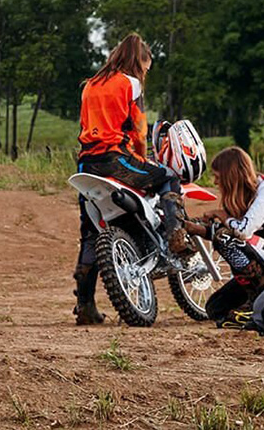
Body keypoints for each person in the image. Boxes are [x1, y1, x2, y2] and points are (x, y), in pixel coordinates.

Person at [72, 33, 187, 325]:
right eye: (146, 68)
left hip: (86, 163)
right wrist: (144, 157)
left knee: (90, 233)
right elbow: (137, 128)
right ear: (139, 62)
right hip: (114, 158)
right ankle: (175, 236)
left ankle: (85, 306)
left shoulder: (90, 85)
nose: (145, 74)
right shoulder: (131, 83)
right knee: (168, 178)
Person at [188, 146, 264, 325]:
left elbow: (243, 231)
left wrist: (223, 216)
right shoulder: (240, 196)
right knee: (215, 308)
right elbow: (230, 230)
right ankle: (257, 296)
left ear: (231, 177)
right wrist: (190, 227)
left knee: (225, 236)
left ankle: (257, 298)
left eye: (218, 177)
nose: (214, 182)